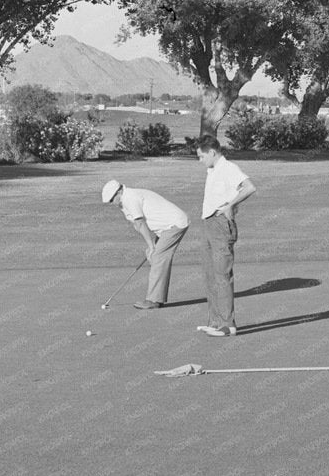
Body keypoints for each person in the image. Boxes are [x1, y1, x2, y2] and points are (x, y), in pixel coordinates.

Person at [195, 135, 256, 337]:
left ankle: (227, 325)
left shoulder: (228, 168)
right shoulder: (212, 170)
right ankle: (214, 321)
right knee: (210, 274)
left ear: (212, 152)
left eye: (202, 156)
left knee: (222, 275)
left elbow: (249, 187)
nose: (200, 160)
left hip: (220, 225)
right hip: (208, 223)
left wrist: (231, 205)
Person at [101, 179, 188, 309]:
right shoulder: (124, 202)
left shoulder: (130, 198)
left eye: (112, 199)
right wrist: (150, 245)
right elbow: (138, 225)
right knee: (154, 255)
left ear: (119, 191)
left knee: (158, 257)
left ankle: (154, 300)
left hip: (174, 224)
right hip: (165, 228)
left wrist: (152, 246)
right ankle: (157, 294)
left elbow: (140, 222)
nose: (112, 203)